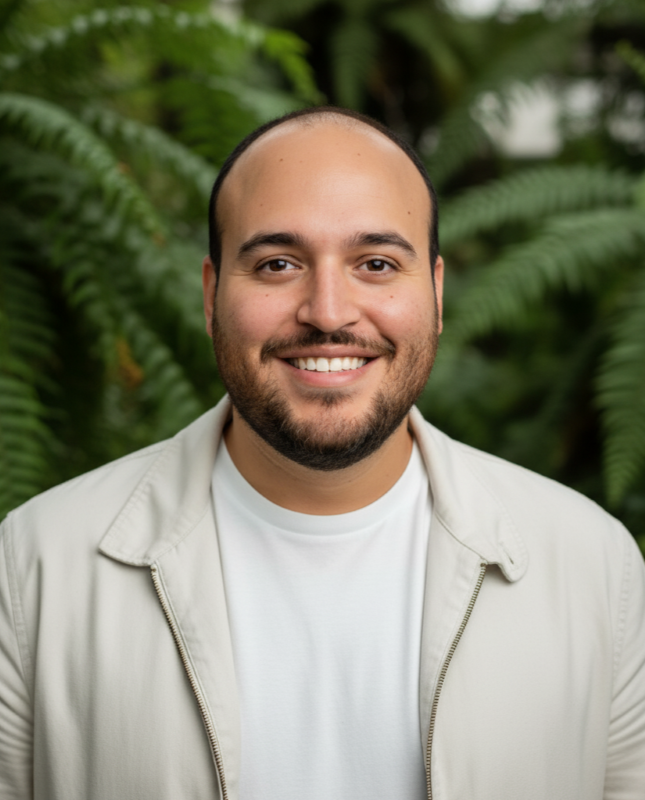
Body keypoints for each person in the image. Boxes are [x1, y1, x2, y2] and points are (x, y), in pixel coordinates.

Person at [1, 107, 644, 800]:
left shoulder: (590, 565)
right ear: (213, 293)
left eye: (374, 263)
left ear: (434, 289)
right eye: (278, 264)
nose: (329, 311)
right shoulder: (35, 564)